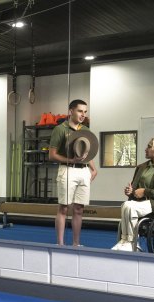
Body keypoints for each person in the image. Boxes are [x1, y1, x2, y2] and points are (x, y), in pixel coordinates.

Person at [112, 137, 154, 251]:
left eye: (149, 146)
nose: (145, 149)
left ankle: (130, 242)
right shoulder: (141, 167)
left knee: (129, 206)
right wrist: (130, 192)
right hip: (142, 204)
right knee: (125, 205)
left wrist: (145, 191)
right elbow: (135, 191)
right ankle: (126, 241)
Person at [48, 99, 97, 246]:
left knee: (79, 209)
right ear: (71, 111)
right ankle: (60, 244)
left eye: (85, 112)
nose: (83, 115)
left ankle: (76, 244)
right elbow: (52, 155)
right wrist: (71, 160)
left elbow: (87, 153)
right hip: (67, 170)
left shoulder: (85, 130)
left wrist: (93, 169)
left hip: (84, 171)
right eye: (80, 111)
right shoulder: (60, 129)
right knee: (63, 208)